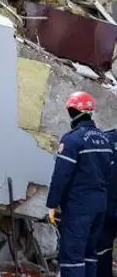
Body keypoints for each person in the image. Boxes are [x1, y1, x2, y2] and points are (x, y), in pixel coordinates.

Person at [47, 91, 112, 277]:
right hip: (100, 205)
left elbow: (61, 176)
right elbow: (108, 174)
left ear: (73, 111)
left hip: (79, 207)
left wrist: (52, 204)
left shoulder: (72, 139)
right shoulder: (105, 139)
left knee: (72, 256)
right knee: (89, 253)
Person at [96, 125, 117, 277]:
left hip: (106, 206)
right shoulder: (105, 139)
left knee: (102, 248)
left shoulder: (104, 139)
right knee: (102, 249)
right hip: (107, 207)